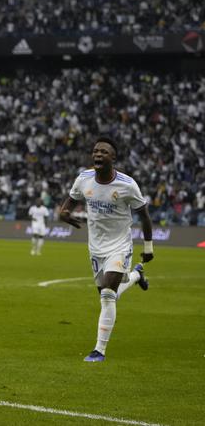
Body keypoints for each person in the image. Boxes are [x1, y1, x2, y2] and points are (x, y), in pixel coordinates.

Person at [59, 137, 153, 363]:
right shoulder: (84, 179)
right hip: (96, 247)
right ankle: (136, 275)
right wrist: (65, 215)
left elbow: (144, 216)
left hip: (120, 245)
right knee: (106, 294)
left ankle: (99, 351)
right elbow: (69, 204)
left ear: (113, 158)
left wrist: (148, 246)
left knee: (108, 296)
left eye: (103, 152)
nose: (98, 155)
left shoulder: (127, 185)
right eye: (95, 151)